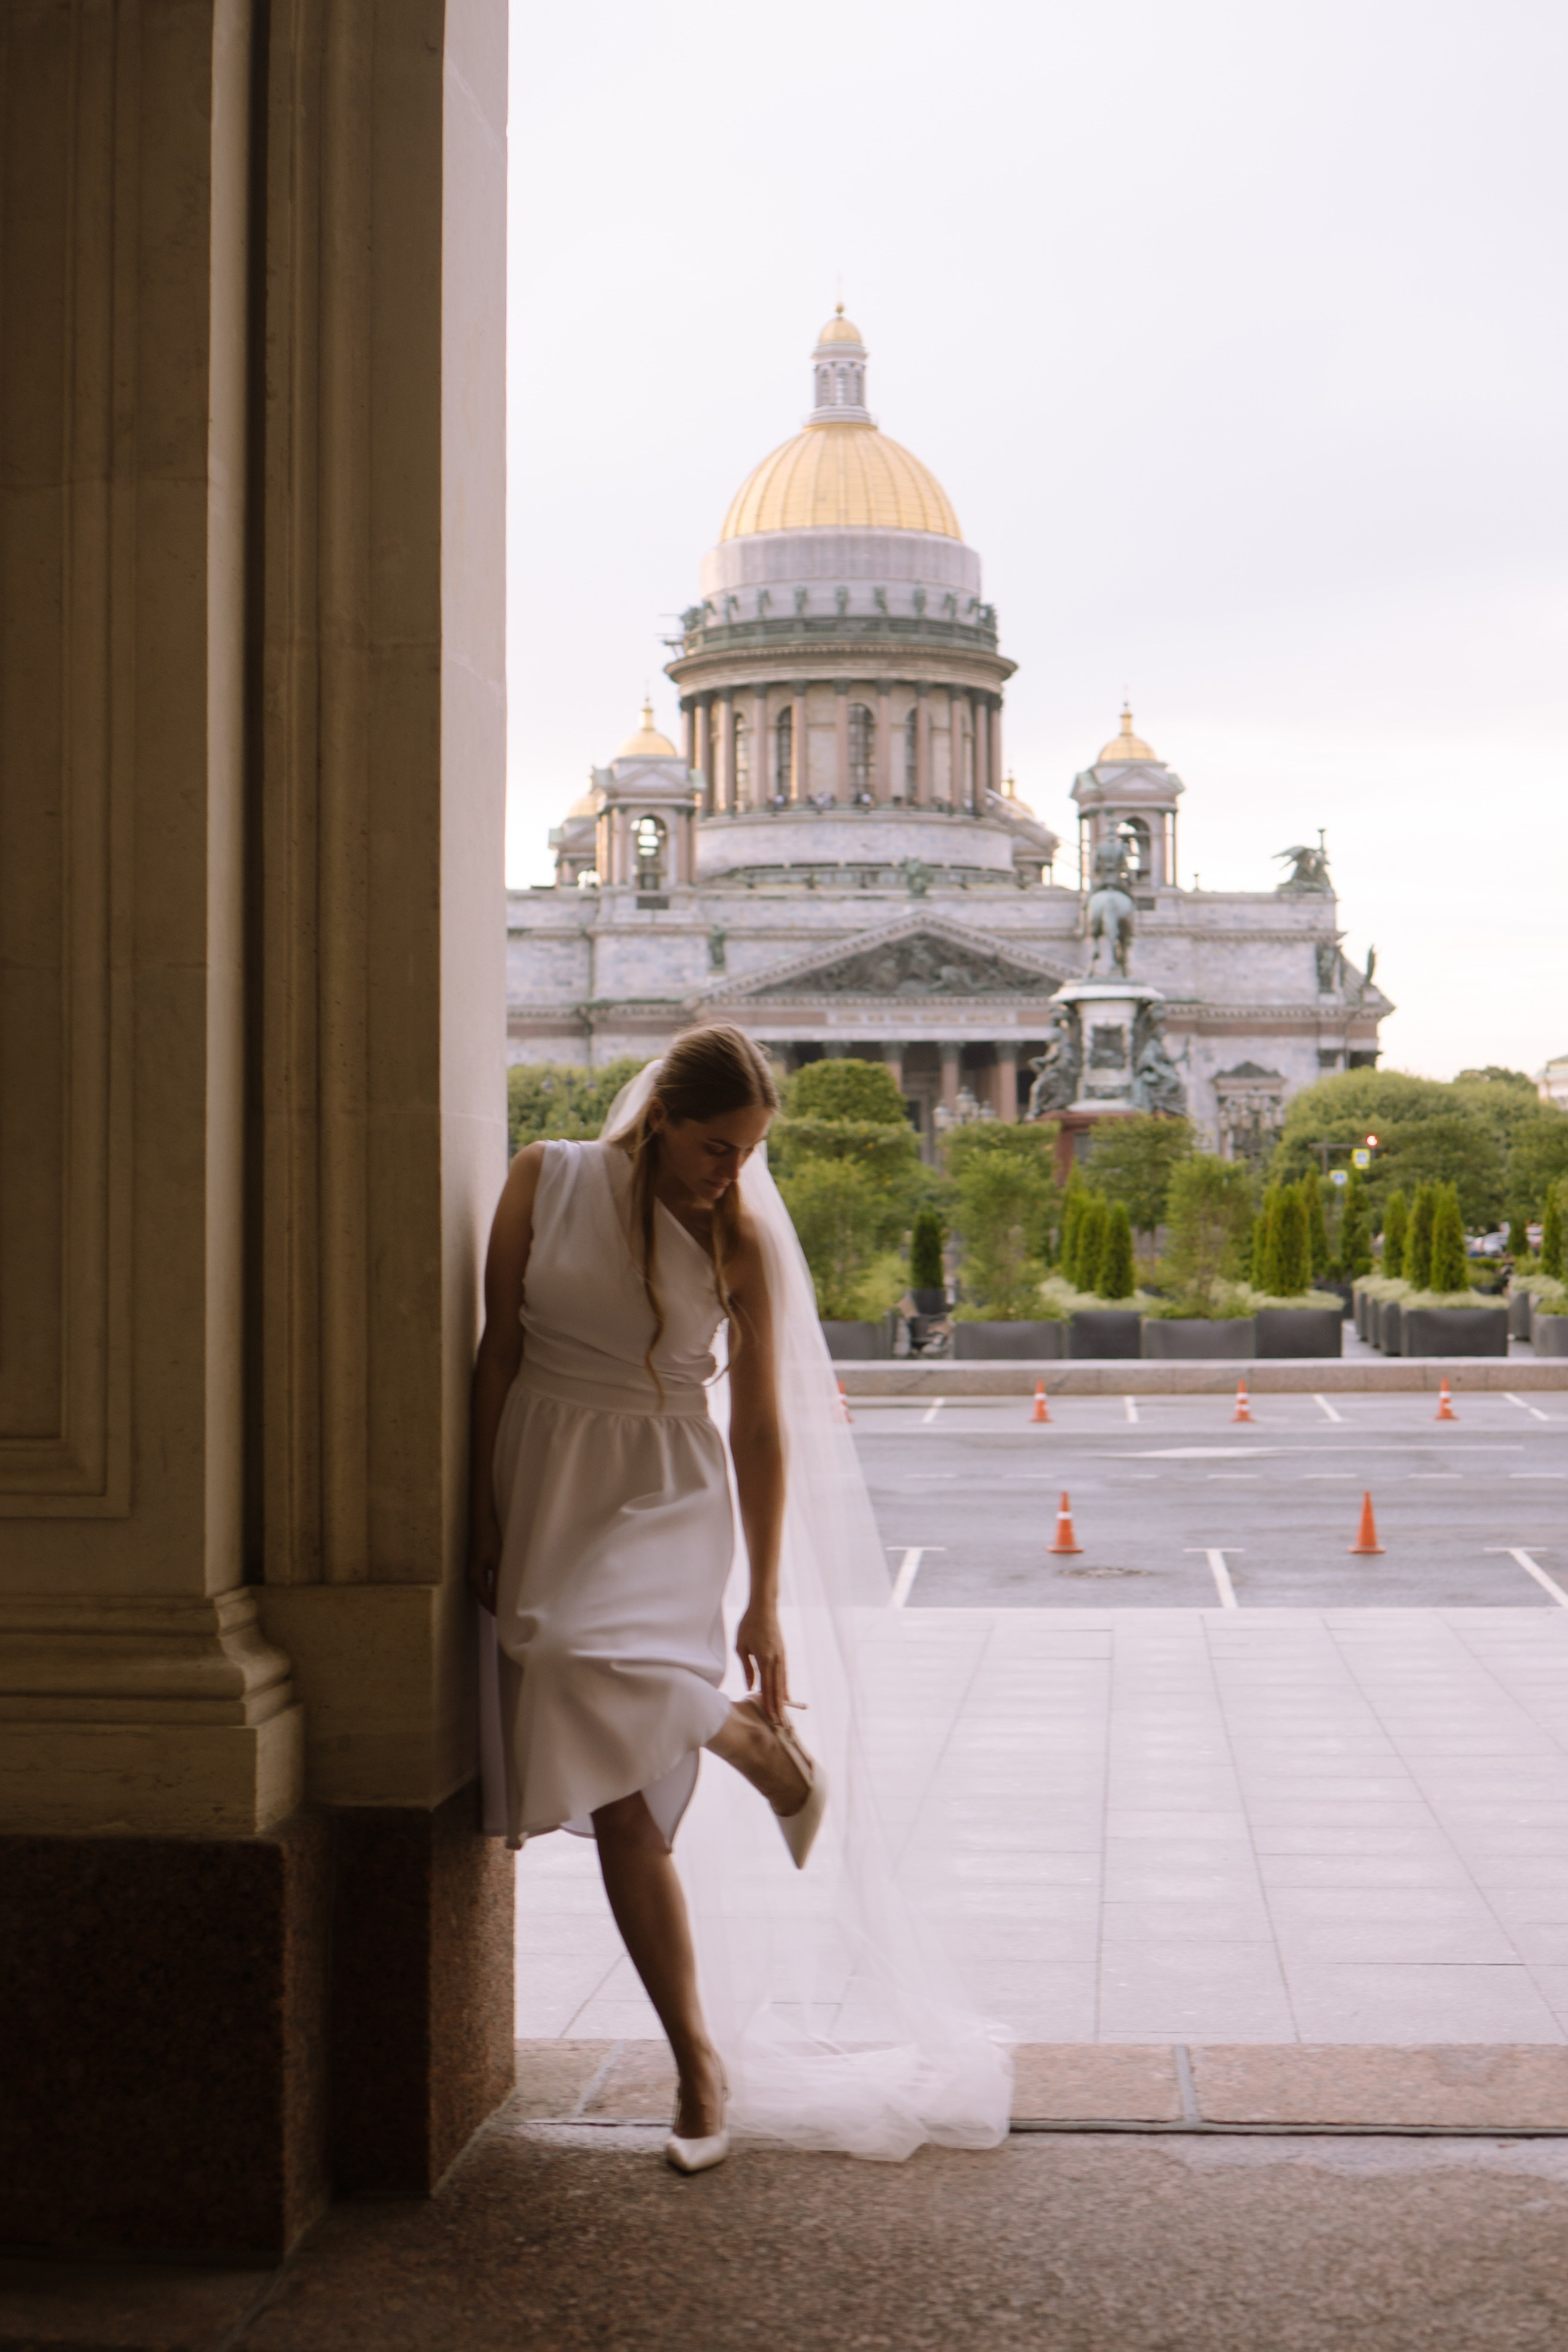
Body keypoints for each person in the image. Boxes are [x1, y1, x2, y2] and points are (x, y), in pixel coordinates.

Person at [470, 1024, 1012, 2171]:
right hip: (547, 1475)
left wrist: (763, 1602)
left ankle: (743, 1736)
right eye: (719, 1146)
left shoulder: (740, 1241)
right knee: (622, 1802)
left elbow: (762, 1430)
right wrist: (478, 1508)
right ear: (661, 1116)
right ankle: (698, 2066)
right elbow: (497, 1354)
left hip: (667, 1488)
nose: (736, 1171)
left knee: (571, 1660)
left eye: (752, 1150)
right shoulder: (544, 1177)